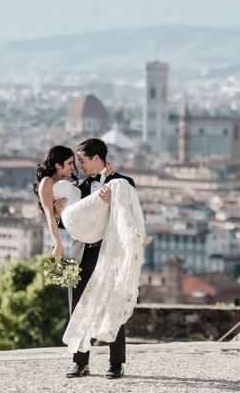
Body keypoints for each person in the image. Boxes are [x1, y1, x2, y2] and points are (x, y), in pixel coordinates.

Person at [61, 138, 138, 380]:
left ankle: (116, 363)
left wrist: (110, 202)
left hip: (110, 253)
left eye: (82, 160)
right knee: (77, 308)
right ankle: (80, 362)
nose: (79, 166)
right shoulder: (80, 187)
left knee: (112, 306)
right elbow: (69, 223)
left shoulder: (123, 183)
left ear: (96, 159)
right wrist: (58, 214)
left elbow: (129, 217)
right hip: (83, 253)